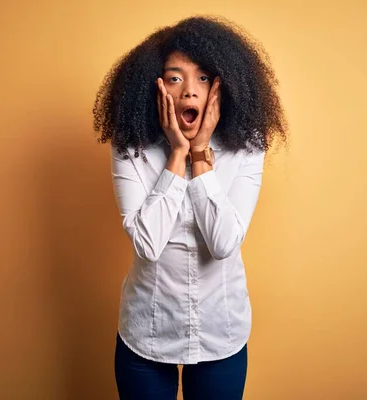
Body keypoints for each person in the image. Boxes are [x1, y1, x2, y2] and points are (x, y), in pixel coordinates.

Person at [93, 15, 288, 400]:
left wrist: (199, 154)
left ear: (224, 84)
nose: (189, 92)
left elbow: (223, 243)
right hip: (147, 332)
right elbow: (148, 244)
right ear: (154, 86)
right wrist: (178, 154)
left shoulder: (246, 146)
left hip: (221, 331)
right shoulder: (130, 146)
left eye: (203, 78)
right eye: (175, 77)